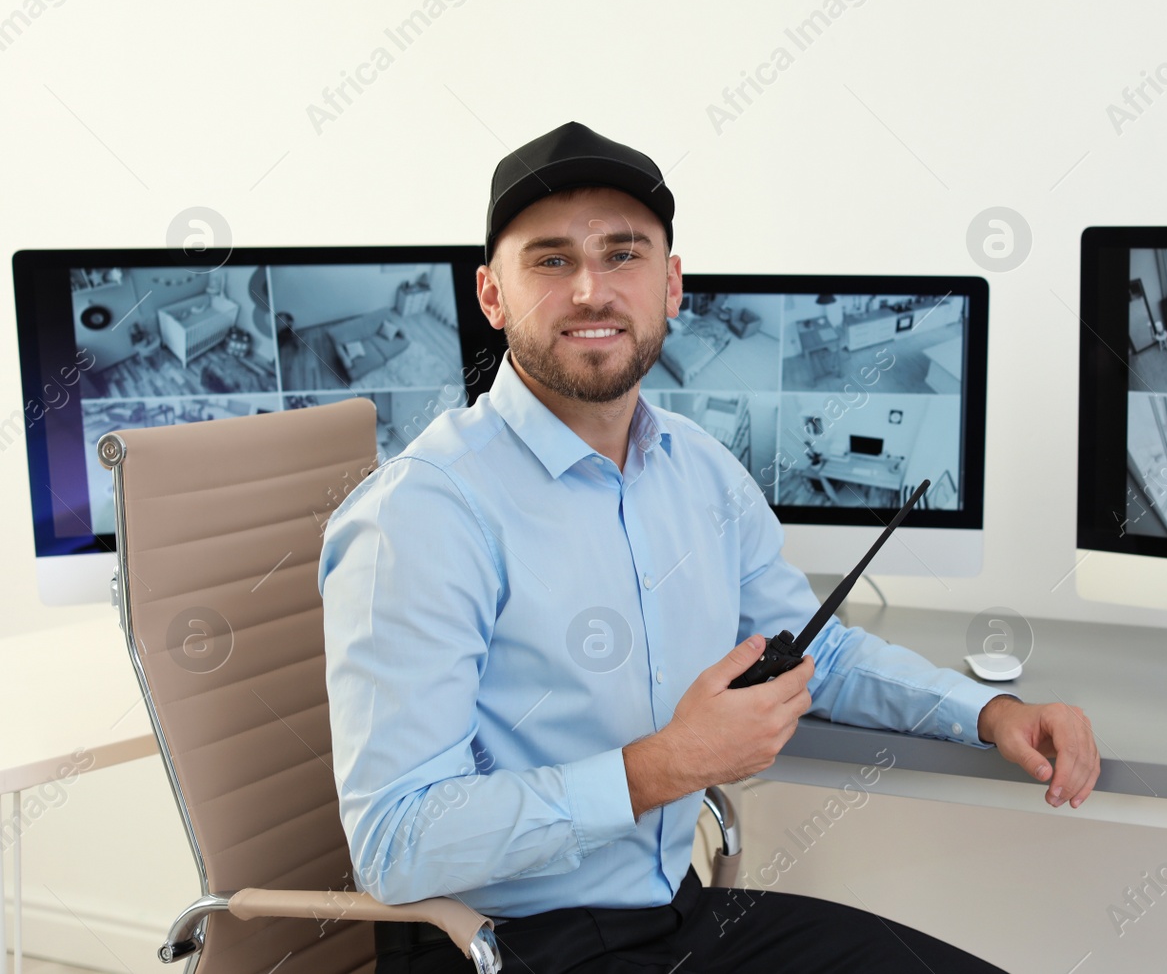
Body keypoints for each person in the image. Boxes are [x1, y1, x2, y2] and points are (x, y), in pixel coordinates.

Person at [318, 121, 1100, 973]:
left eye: (624, 254)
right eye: (550, 260)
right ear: (491, 295)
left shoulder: (698, 467)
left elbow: (812, 650)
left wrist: (987, 712)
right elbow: (394, 843)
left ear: (673, 285)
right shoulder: (423, 512)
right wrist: (663, 765)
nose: (590, 290)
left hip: (677, 918)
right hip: (500, 948)